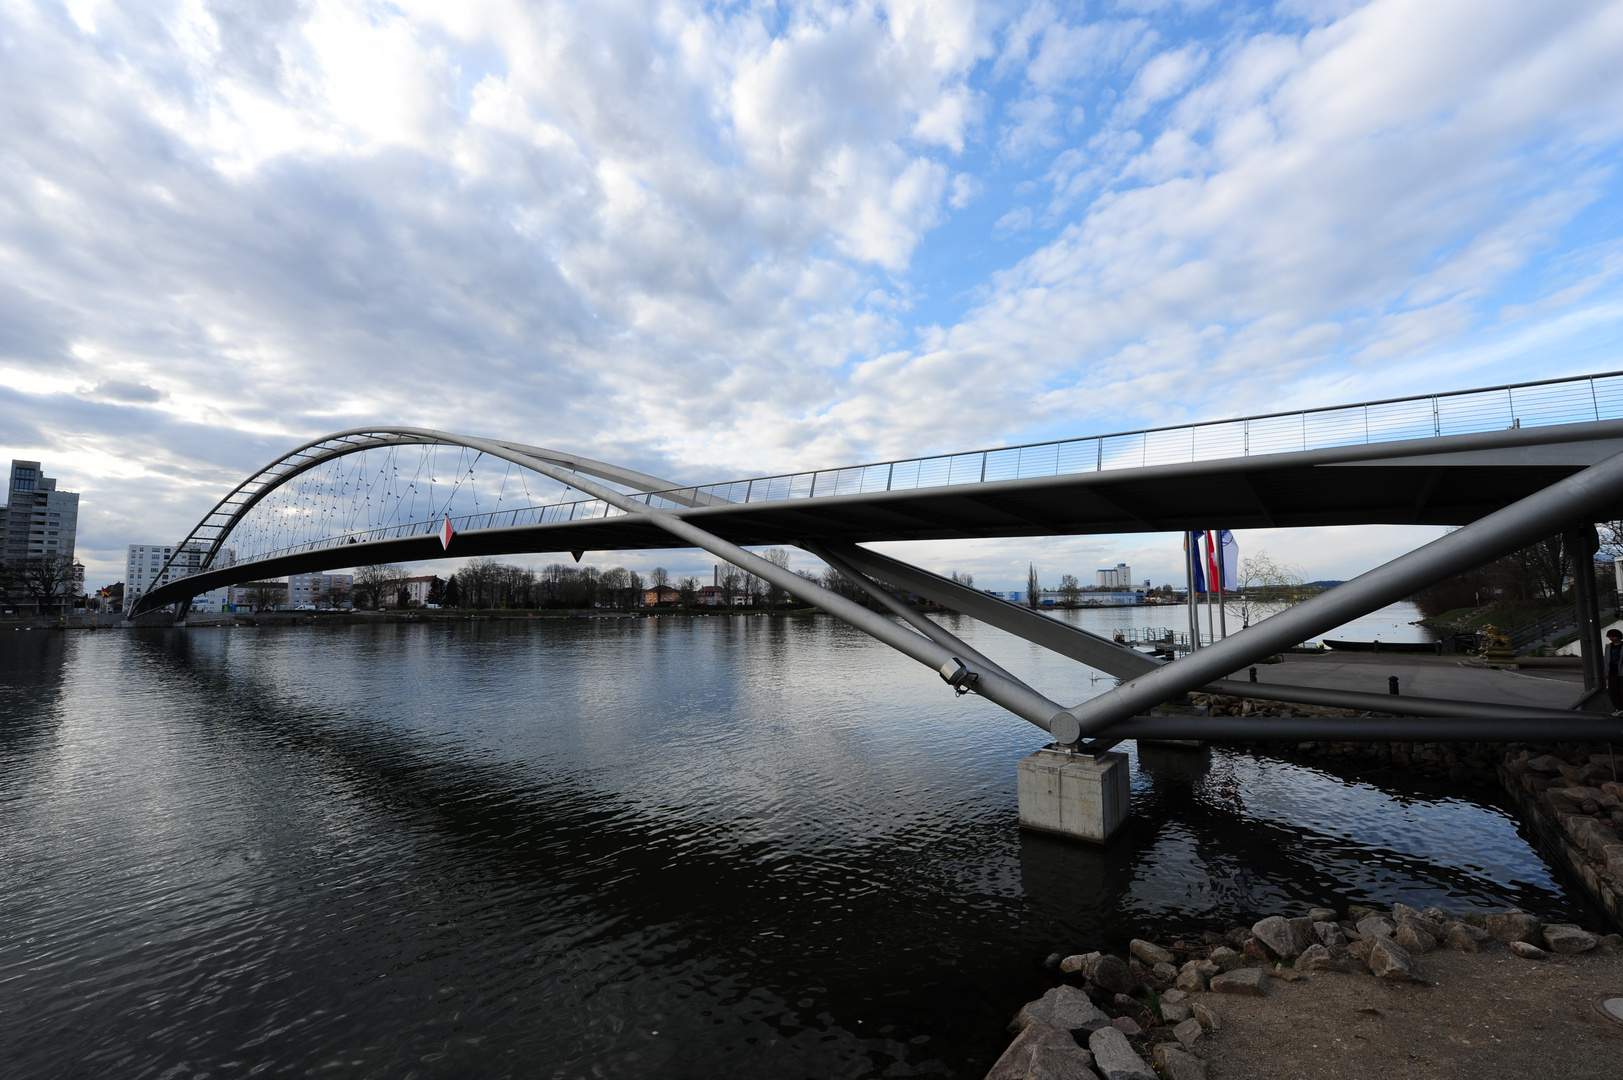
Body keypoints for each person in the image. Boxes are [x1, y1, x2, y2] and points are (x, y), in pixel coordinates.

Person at [1607, 628, 1623, 715]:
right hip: (1612, 671)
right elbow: (1607, 660)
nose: (1611, 638)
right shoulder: (1608, 646)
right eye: (1609, 637)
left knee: (1621, 690)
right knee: (1612, 690)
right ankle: (1618, 708)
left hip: (1621, 671)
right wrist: (1606, 671)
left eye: (1613, 636)